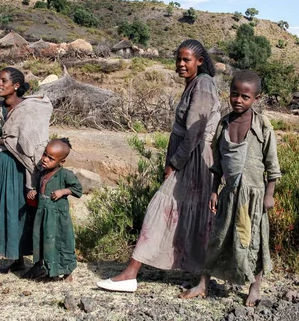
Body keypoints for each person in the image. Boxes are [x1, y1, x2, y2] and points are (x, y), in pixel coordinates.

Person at [97, 39, 221, 293]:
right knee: (190, 213)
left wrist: (175, 163)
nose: (180, 64)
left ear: (199, 61)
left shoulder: (204, 84)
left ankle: (131, 273)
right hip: (189, 157)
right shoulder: (195, 84)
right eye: (178, 59)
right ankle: (199, 278)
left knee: (161, 208)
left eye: (186, 59)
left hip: (195, 159)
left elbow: (195, 132)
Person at [179, 70, 281, 306]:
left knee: (252, 242)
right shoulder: (223, 124)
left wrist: (269, 194)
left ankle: (255, 287)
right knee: (216, 239)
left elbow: (272, 166)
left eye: (245, 97)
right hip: (228, 195)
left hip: (252, 198)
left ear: (255, 98)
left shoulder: (263, 126)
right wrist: (215, 190)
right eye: (234, 94)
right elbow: (217, 165)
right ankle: (203, 284)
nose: (238, 100)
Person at [0, 67, 53, 272]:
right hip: (1, 165)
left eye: (3, 81)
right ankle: (15, 257)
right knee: (4, 210)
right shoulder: (0, 108)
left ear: (16, 86)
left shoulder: (29, 109)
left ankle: (38, 260)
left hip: (21, 168)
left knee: (23, 211)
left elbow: (32, 142)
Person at [24, 138, 83, 281]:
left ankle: (67, 271)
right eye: (45, 155)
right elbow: (43, 189)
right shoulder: (43, 173)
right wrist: (35, 193)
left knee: (60, 242)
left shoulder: (65, 174)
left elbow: (78, 189)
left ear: (61, 161)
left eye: (51, 158)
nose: (45, 159)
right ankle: (48, 271)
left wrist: (62, 192)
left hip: (57, 216)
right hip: (43, 213)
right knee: (44, 241)